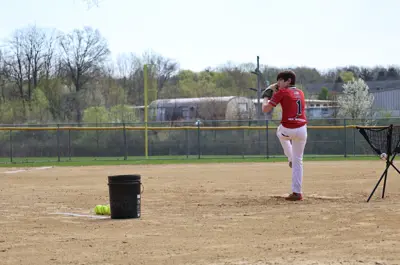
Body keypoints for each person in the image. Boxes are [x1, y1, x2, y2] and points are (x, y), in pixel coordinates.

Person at [261, 70, 308, 201]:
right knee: (299, 161)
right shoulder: (301, 92)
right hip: (302, 129)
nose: (278, 83)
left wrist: (266, 97)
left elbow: (265, 109)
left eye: (280, 80)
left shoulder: (282, 92)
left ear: (288, 81)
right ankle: (297, 193)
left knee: (279, 132)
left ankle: (290, 158)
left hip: (288, 128)